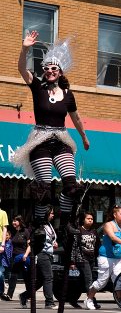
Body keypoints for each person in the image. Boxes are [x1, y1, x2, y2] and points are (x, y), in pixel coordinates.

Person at [13, 30, 89, 231]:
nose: (50, 71)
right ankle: (39, 225)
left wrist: (83, 136)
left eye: (54, 68)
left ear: (60, 72)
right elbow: (21, 69)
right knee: (44, 189)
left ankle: (65, 223)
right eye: (47, 68)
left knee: (71, 186)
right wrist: (25, 48)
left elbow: (76, 117)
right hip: (40, 141)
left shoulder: (68, 95)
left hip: (61, 139)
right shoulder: (38, 87)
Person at [84, 205, 121, 310]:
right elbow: (113, 238)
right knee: (102, 282)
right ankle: (89, 299)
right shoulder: (108, 225)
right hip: (106, 257)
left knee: (120, 281)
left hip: (118, 259)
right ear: (115, 215)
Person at [19, 205, 58, 309]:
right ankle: (49, 302)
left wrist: (54, 243)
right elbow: (33, 239)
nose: (53, 215)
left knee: (41, 280)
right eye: (52, 213)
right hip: (42, 254)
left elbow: (50, 238)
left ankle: (25, 295)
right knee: (48, 277)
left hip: (49, 254)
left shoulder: (49, 225)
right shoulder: (39, 226)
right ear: (46, 213)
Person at [69, 211, 101, 309]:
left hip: (91, 259)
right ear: (83, 220)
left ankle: (73, 300)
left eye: (92, 219)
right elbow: (73, 247)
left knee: (82, 281)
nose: (90, 220)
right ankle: (92, 301)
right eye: (88, 219)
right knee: (89, 280)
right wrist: (72, 262)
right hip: (82, 259)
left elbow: (97, 245)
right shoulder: (79, 231)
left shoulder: (94, 231)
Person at [7, 215, 31, 306]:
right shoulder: (13, 231)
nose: (13, 222)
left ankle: (27, 296)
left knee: (27, 278)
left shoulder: (26, 231)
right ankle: (9, 295)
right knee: (13, 276)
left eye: (15, 221)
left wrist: (25, 255)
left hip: (24, 257)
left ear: (20, 222)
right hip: (14, 258)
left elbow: (29, 245)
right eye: (13, 221)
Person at [0, 230, 12, 301]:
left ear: (10, 236)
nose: (6, 236)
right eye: (5, 235)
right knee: (1, 276)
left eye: (8, 235)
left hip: (10, 263)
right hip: (3, 263)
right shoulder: (2, 244)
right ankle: (2, 292)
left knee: (11, 279)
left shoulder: (11, 242)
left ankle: (9, 294)